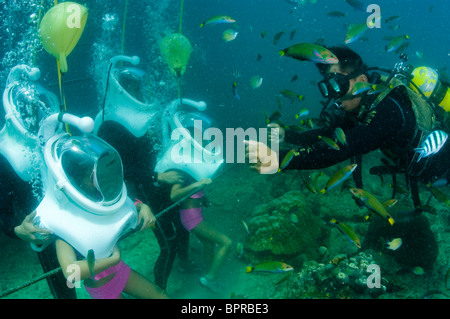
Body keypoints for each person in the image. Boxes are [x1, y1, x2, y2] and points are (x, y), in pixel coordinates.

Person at [245, 45, 450, 208]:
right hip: (431, 174)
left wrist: (277, 159)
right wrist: (288, 135)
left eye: (338, 85)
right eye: (329, 87)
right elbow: (331, 135)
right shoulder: (366, 103)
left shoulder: (389, 111)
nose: (335, 95)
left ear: (361, 80)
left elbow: (339, 149)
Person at [169, 171, 232, 291]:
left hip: (195, 217)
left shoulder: (195, 174)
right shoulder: (182, 173)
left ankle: (208, 275)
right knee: (226, 242)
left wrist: (204, 200)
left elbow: (192, 197)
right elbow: (174, 195)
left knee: (209, 245)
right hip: (192, 219)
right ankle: (210, 278)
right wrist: (198, 184)